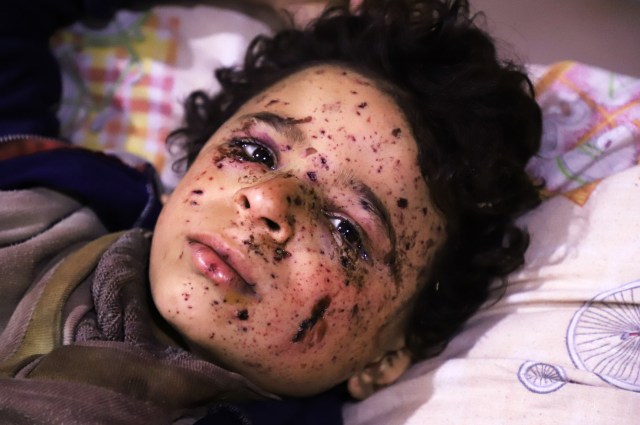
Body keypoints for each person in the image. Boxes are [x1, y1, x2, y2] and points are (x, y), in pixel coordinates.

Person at [0, 0, 542, 423]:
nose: (268, 199)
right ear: (189, 169)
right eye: (255, 153)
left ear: (386, 358)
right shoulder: (37, 180)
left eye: (345, 228)